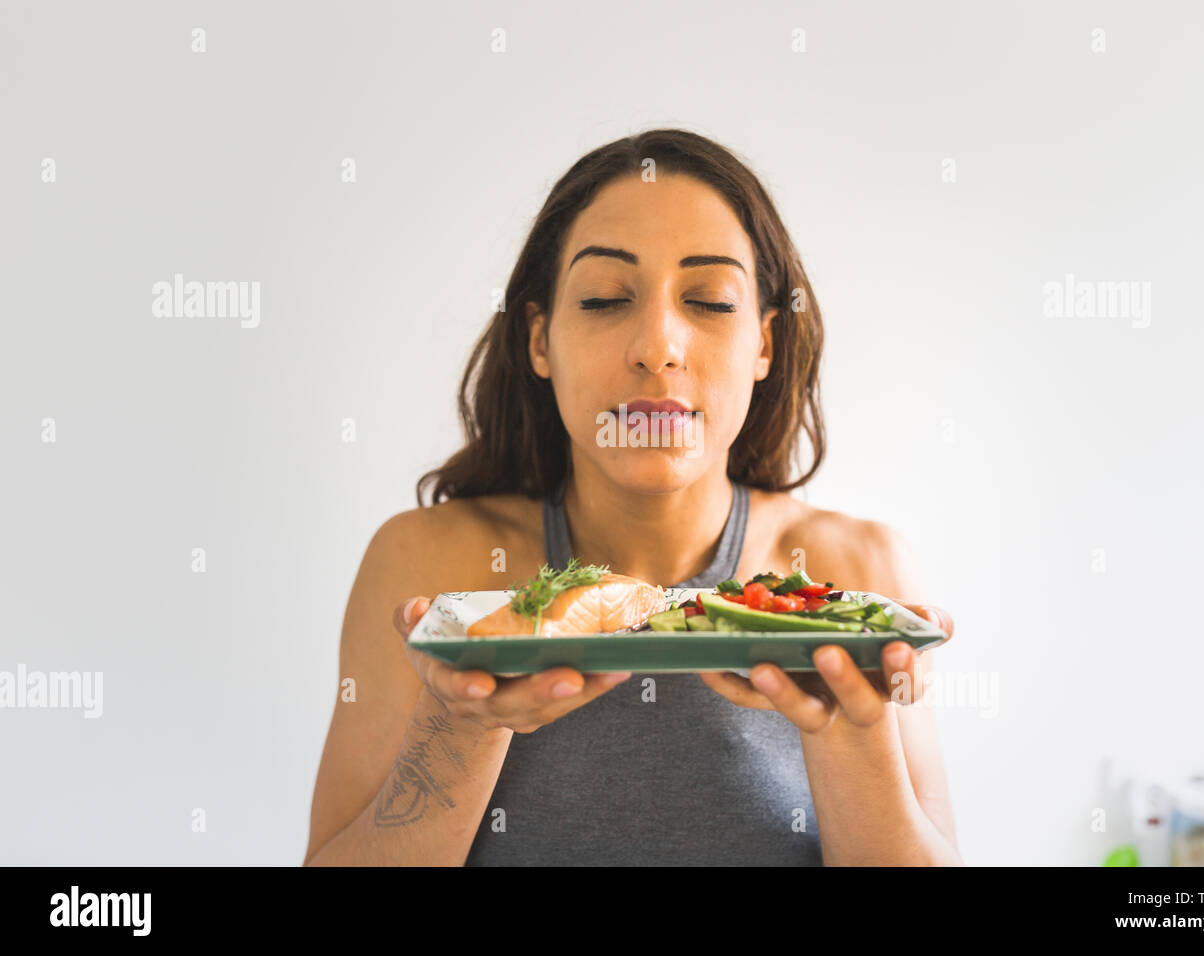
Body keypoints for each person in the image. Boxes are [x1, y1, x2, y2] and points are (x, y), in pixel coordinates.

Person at [303, 128, 960, 866]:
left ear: (765, 345)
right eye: (606, 298)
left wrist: (855, 733)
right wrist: (459, 725)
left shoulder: (861, 575)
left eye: (709, 301)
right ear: (540, 339)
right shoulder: (429, 568)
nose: (658, 345)